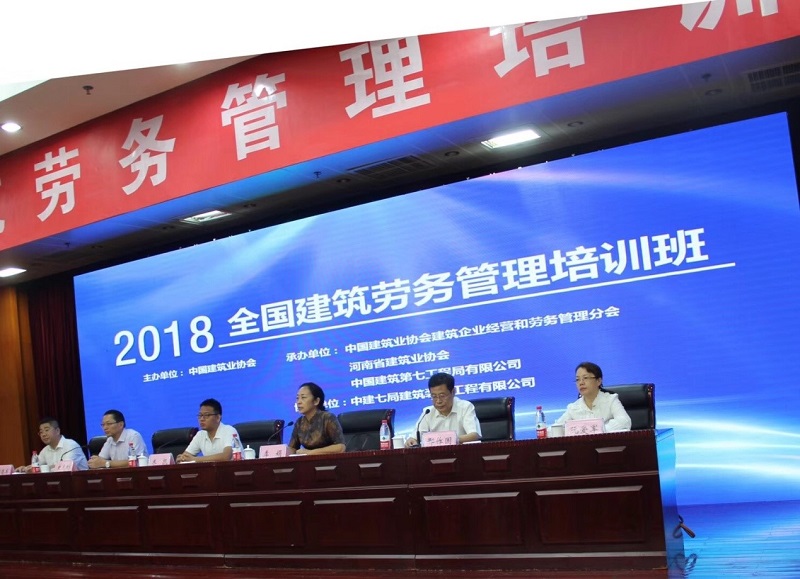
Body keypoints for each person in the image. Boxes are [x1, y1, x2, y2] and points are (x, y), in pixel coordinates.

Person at [405, 372, 482, 446]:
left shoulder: (465, 407)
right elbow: (414, 438)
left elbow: (474, 435)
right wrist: (411, 441)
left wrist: (447, 440)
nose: (438, 401)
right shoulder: (427, 412)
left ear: (453, 392)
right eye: (434, 396)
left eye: (442, 396)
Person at [552, 362, 632, 432]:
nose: (581, 383)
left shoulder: (611, 400)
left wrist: (597, 430)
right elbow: (556, 428)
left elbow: (625, 421)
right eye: (578, 379)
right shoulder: (573, 408)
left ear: (598, 381)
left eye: (585, 378)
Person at [287, 382, 345, 455]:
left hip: (330, 460)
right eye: (297, 398)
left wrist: (310, 453)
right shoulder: (299, 422)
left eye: (303, 397)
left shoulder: (327, 418)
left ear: (316, 401)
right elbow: (292, 448)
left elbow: (340, 447)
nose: (298, 402)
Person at [176, 398, 240, 463]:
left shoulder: (229, 430)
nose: (201, 419)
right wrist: (182, 458)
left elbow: (226, 456)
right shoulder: (200, 435)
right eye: (200, 415)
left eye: (206, 415)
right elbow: (185, 457)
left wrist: (195, 459)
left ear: (218, 417)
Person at [15, 417, 89, 472]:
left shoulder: (71, 445)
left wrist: (42, 469)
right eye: (41, 432)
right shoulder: (45, 450)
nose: (43, 434)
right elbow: (36, 466)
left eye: (46, 430)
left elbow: (64, 469)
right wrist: (25, 469)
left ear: (57, 431)